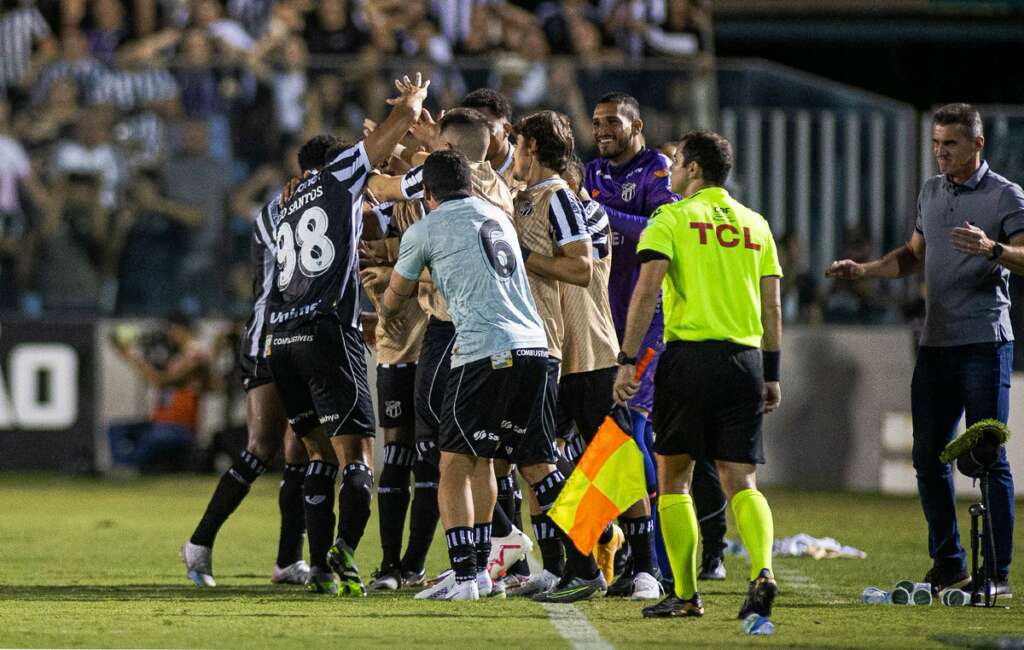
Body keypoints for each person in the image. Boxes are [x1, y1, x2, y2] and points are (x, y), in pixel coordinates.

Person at [827, 103, 1022, 597]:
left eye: (950, 144)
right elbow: (914, 256)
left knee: (988, 455)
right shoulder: (931, 191)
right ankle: (949, 563)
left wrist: (993, 250)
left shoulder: (1006, 195)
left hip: (984, 342)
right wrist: (866, 270)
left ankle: (995, 574)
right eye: (936, 144)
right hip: (935, 343)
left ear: (977, 144)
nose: (939, 153)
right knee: (926, 457)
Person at [263, 72, 430, 595]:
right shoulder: (337, 176)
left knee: (317, 456)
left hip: (281, 341)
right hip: (325, 331)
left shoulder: (284, 202)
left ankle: (316, 569)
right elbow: (377, 149)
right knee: (356, 458)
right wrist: (409, 107)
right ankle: (346, 556)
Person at [613, 130, 783, 619]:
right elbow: (771, 305)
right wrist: (772, 372)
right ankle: (763, 571)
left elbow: (647, 292)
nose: (669, 168)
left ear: (692, 168)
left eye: (676, 161)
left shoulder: (670, 218)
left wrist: (628, 359)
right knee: (742, 482)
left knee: (674, 481)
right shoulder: (756, 224)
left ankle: (685, 596)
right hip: (745, 363)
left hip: (689, 360)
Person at [379, 150, 559, 602]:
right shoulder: (497, 216)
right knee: (514, 462)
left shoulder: (424, 227)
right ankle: (560, 563)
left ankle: (464, 577)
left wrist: (383, 314)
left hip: (484, 350)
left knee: (453, 464)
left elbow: (395, 297)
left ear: (428, 192)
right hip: (535, 348)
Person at [181, 137, 345, 590]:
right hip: (269, 336)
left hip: (306, 334)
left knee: (303, 450)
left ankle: (289, 560)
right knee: (262, 447)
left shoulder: (316, 205)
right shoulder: (282, 210)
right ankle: (199, 541)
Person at [585, 91, 728, 592]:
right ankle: (607, 549)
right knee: (608, 434)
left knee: (634, 432)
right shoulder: (592, 173)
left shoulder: (657, 170)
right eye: (597, 121)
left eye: (612, 122)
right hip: (602, 320)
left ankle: (654, 561)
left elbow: (662, 225)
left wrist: (601, 216)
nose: (602, 129)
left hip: (647, 325)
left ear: (637, 124)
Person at [500, 109, 609, 603]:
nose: (514, 155)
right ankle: (568, 566)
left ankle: (588, 561)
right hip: (522, 340)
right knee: (530, 461)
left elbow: (582, 267)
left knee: (540, 461)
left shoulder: (560, 198)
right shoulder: (525, 196)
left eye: (519, 146)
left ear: (534, 150)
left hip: (542, 343)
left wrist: (525, 259)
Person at [108, 313, 211, 472]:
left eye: (171, 329)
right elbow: (155, 379)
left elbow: (164, 381)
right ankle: (124, 468)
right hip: (160, 423)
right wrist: (131, 358)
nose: (169, 334)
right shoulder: (175, 357)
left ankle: (130, 469)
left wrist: (136, 359)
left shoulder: (196, 353)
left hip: (180, 427)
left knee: (153, 439)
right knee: (116, 429)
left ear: (181, 329)